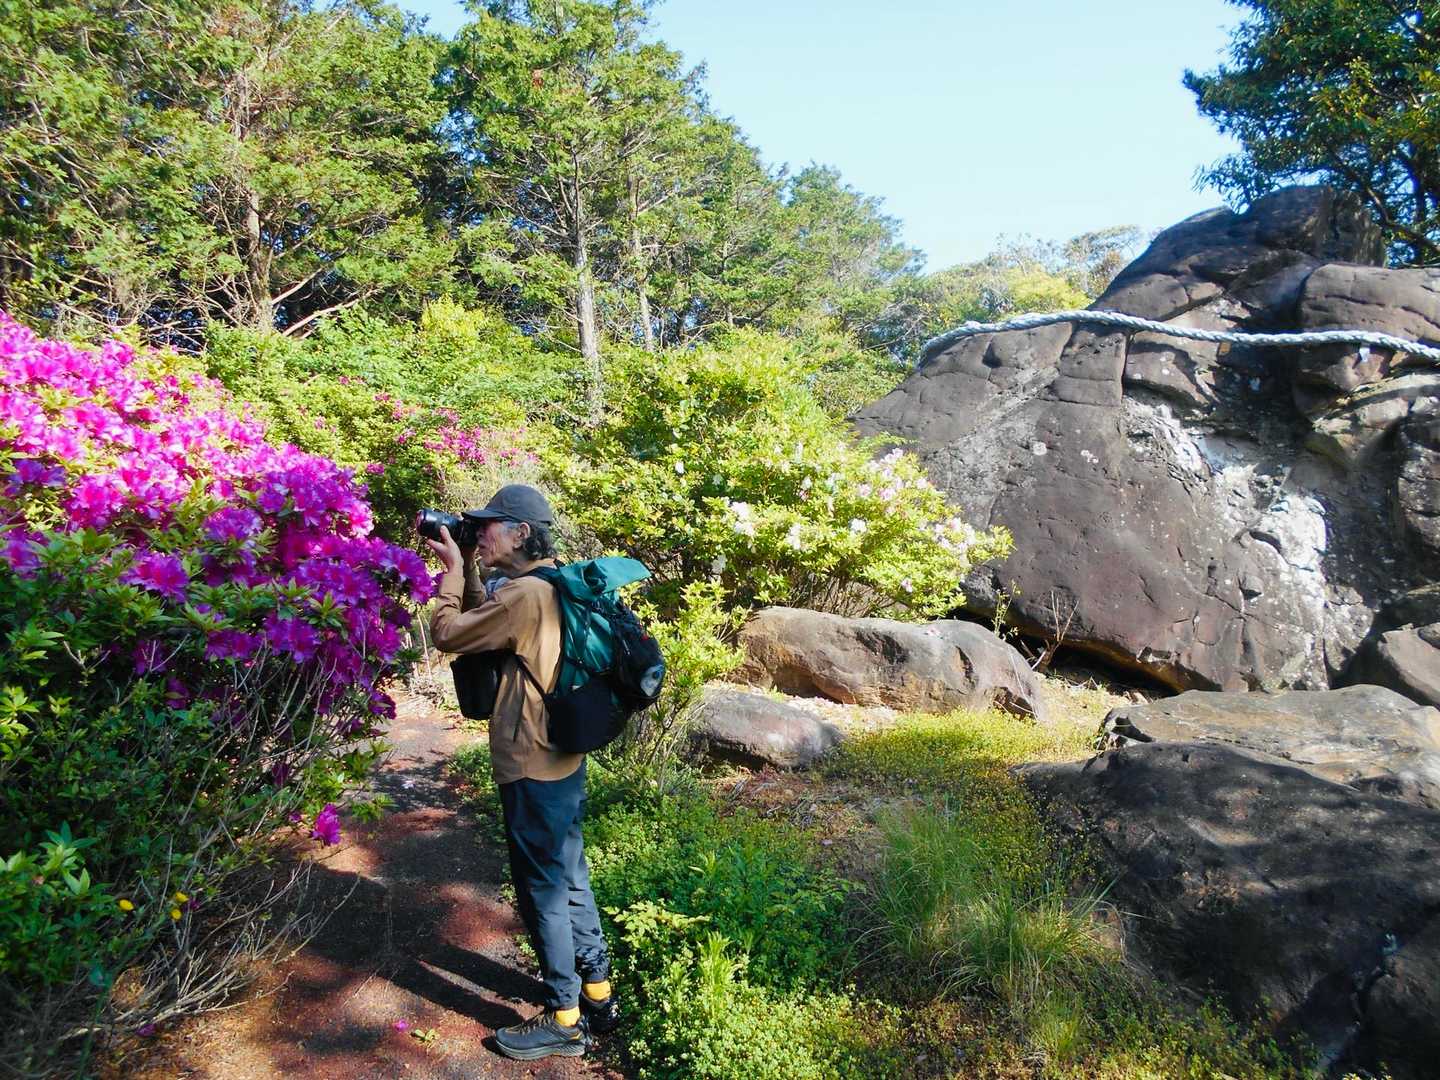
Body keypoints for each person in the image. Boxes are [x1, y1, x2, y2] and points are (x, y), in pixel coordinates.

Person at [425, 484, 618, 1061]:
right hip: (563, 758)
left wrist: (452, 571)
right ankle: (598, 995)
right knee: (571, 878)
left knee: (543, 892)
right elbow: (489, 621)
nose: (481, 533)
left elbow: (448, 632)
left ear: (521, 533)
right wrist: (471, 566)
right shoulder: (555, 583)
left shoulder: (522, 596)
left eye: (490, 525)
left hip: (530, 764)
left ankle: (563, 1019)